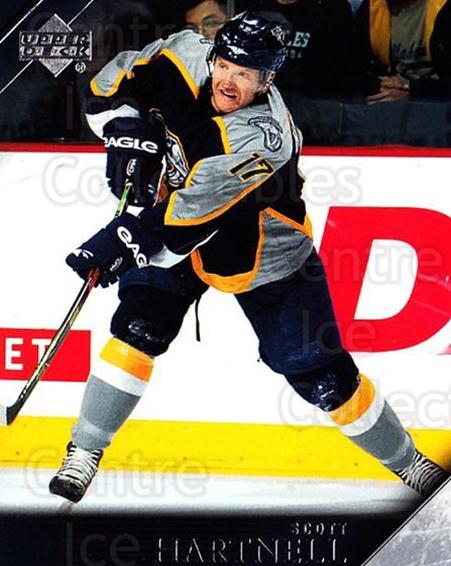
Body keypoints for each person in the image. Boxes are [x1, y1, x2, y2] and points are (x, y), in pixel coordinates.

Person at [49, 11, 448, 503]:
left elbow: (186, 221)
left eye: (245, 74)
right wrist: (126, 126)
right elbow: (108, 85)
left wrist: (122, 241)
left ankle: (409, 464)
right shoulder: (182, 53)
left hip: (263, 249)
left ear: (267, 80)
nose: (228, 80)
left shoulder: (263, 136)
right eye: (224, 65)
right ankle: (85, 449)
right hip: (175, 220)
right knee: (138, 326)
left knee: (322, 376)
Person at [235, 0, 358, 96]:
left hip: (312, 100)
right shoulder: (247, 6)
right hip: (257, 94)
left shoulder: (332, 9)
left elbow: (341, 66)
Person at [355, 0, 451, 101]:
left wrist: (412, 92)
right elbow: (356, 69)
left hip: (438, 98)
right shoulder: (372, 8)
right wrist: (381, 84)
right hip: (392, 94)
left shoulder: (445, 7)